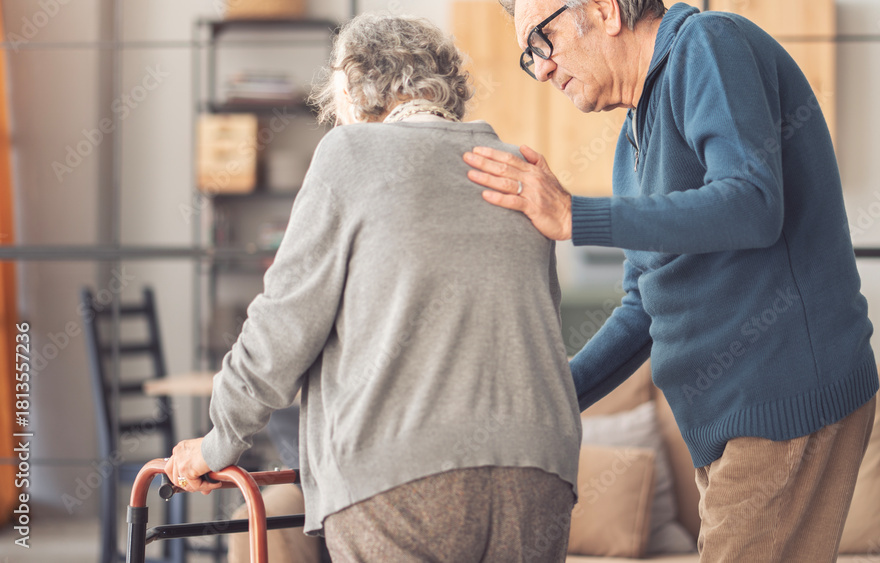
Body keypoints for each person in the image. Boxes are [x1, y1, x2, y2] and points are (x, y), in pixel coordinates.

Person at [463, 1, 878, 561]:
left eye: (543, 39)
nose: (541, 68)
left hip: (781, 395)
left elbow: (753, 202)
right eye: (528, 56)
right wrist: (551, 396)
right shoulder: (630, 142)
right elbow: (643, 307)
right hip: (724, 422)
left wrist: (575, 215)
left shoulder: (707, 46)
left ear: (606, 10)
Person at [165, 13, 582, 562]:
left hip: (403, 477)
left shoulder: (350, 155)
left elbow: (283, 326)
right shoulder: (516, 169)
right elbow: (539, 331)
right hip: (540, 472)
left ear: (352, 86)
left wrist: (220, 439)